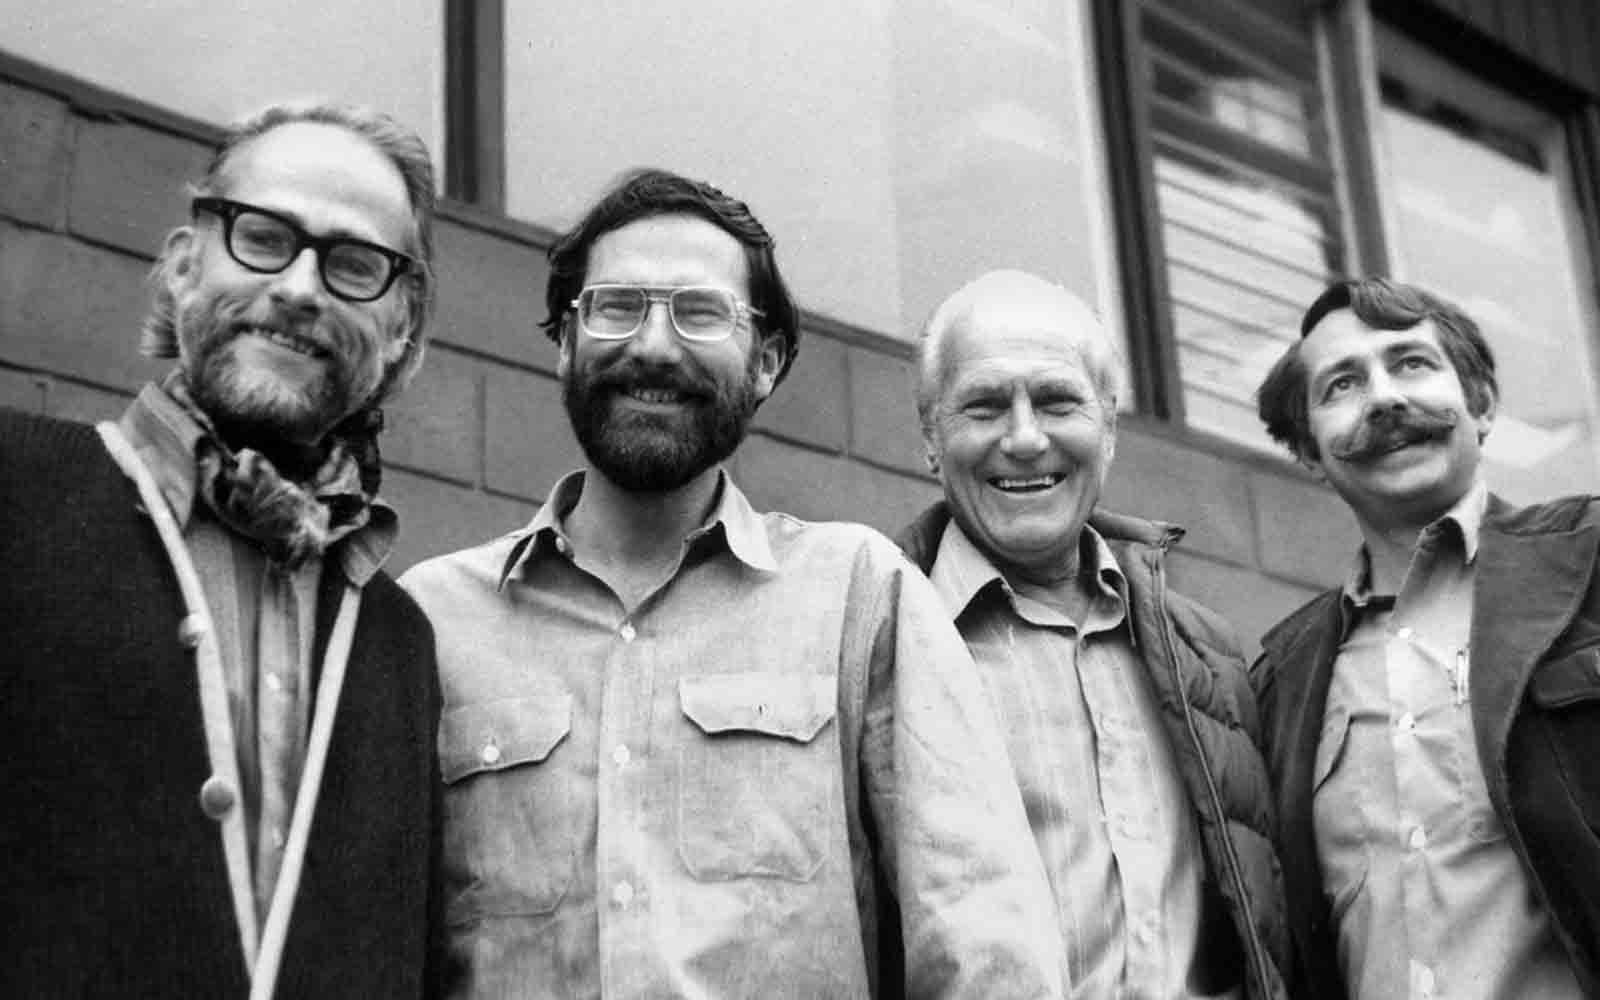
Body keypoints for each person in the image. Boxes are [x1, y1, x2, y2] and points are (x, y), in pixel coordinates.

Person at [400, 169, 1062, 998]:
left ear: (765, 362)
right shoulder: (432, 619)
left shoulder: (859, 596)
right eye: (617, 306)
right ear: (565, 341)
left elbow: (986, 949)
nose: (652, 344)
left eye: (701, 312)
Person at [0, 102, 441, 997]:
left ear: (400, 327)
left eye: (355, 264)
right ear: (182, 265)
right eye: (263, 238)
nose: (302, 288)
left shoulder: (403, 639)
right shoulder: (12, 484)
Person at [896, 270, 1289, 998]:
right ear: (930, 438)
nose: (1024, 438)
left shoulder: (1208, 657)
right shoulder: (874, 642)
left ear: (1108, 431)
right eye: (984, 406)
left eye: (1057, 401)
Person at [1252, 276, 1600, 998]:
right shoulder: (1278, 686)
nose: (1383, 398)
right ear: (1311, 453)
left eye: (1411, 363)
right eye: (1342, 385)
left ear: (1482, 405)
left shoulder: (1592, 560)